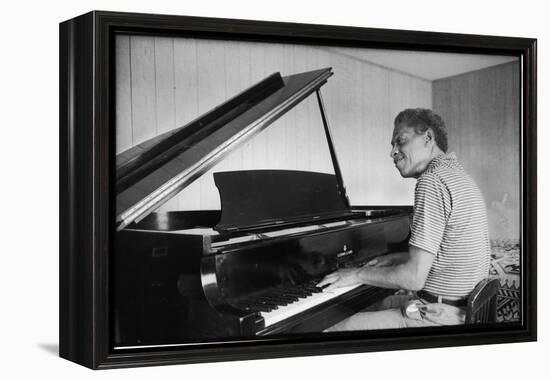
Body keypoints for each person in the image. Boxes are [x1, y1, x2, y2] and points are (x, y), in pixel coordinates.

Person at [319, 108, 490, 331]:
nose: (393, 153)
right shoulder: (458, 175)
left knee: (329, 327)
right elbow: (443, 252)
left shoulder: (432, 182)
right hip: (463, 308)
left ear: (428, 138)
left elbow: (413, 280)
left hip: (439, 316)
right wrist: (396, 258)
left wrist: (356, 274)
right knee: (372, 304)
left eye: (401, 141)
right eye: (392, 145)